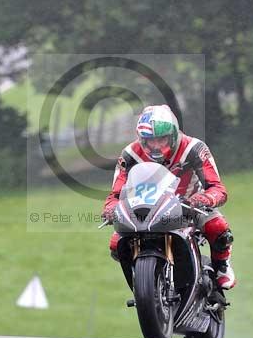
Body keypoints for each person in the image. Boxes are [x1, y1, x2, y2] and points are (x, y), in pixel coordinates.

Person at [102, 104, 237, 290]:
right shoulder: (130, 154)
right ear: (141, 139)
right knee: (116, 244)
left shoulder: (194, 148)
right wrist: (111, 208)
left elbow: (217, 188)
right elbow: (116, 193)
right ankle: (144, 282)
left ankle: (222, 266)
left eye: (162, 139)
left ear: (173, 134)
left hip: (189, 207)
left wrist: (204, 199)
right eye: (150, 140)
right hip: (145, 209)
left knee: (218, 227)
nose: (156, 145)